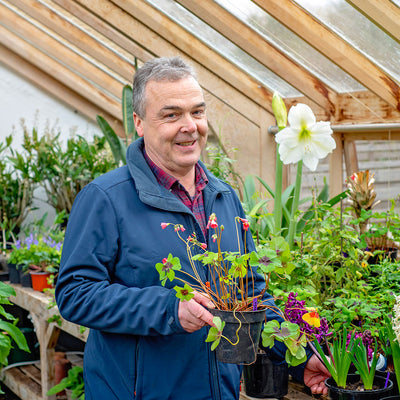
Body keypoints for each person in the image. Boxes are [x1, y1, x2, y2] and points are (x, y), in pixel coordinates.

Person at [56, 56, 329, 400]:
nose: (190, 126)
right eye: (172, 115)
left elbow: (252, 292)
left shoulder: (223, 196)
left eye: (197, 112)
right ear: (138, 123)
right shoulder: (105, 199)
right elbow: (75, 294)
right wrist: (169, 310)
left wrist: (296, 360)